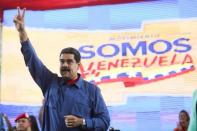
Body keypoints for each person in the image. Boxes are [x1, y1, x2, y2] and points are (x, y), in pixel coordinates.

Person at [13, 7, 110, 131]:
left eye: (69, 61)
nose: (64, 65)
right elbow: (32, 60)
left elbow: (105, 121)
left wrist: (83, 121)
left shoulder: (92, 91)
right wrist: (22, 32)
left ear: (78, 65)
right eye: (62, 61)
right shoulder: (49, 82)